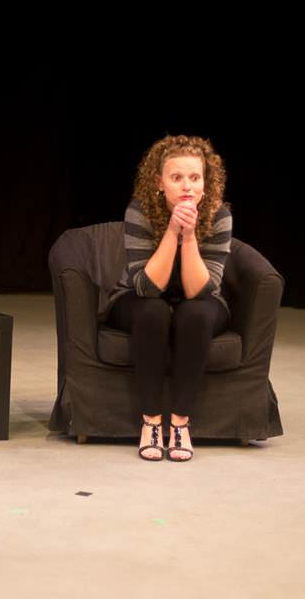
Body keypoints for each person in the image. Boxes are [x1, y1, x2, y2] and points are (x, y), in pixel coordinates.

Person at [104, 135, 232, 462]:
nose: (187, 186)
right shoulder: (141, 211)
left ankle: (180, 424)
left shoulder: (218, 214)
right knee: (154, 311)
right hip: (137, 297)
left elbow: (198, 292)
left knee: (196, 313)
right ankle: (150, 421)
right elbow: (147, 287)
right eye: (176, 177)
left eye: (195, 177)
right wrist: (173, 230)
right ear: (160, 183)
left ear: (206, 183)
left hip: (197, 299)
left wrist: (188, 236)